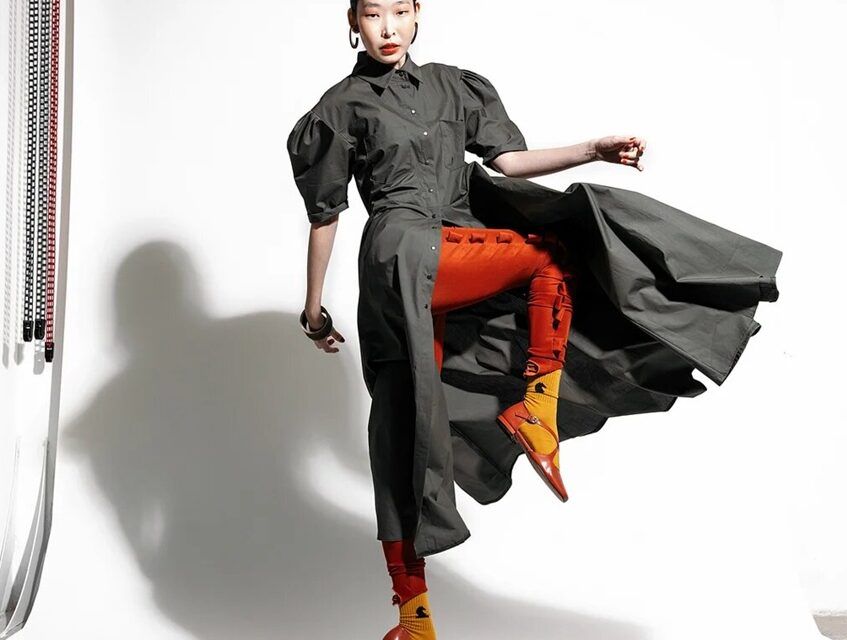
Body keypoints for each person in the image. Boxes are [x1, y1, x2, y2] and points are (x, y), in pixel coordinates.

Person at [287, 1, 779, 639]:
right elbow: (324, 214)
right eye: (373, 13)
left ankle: (534, 409)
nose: (387, 27)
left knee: (424, 425)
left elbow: (508, 161)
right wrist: (313, 308)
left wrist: (592, 150)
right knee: (400, 435)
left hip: (452, 243)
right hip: (399, 254)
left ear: (417, 15)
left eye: (399, 10)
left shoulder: (455, 86)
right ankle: (416, 617)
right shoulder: (340, 107)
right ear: (353, 22)